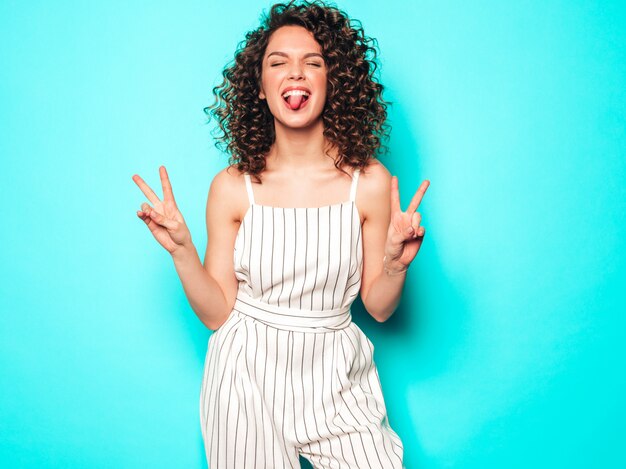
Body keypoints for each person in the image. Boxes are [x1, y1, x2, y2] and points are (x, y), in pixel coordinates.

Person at [132, 1, 429, 467]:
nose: (296, 74)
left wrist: (394, 264)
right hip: (244, 374)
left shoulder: (369, 183)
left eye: (313, 63)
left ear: (335, 82)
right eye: (278, 63)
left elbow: (379, 308)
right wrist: (182, 252)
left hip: (336, 374)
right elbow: (216, 314)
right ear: (261, 87)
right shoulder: (232, 187)